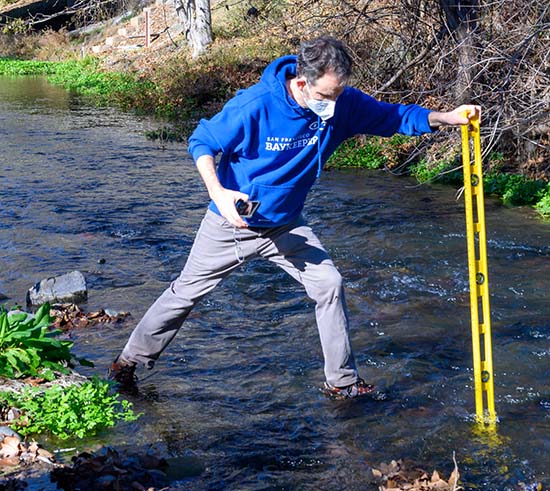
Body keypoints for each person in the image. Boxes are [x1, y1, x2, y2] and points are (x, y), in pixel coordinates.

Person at [110, 36, 480, 399]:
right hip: (233, 222)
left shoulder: (342, 104)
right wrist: (217, 193)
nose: (333, 105)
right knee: (185, 293)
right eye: (325, 96)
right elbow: (203, 140)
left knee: (329, 284)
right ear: (301, 83)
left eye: (338, 94)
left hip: (286, 224)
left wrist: (445, 118)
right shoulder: (255, 105)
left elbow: (392, 116)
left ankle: (342, 381)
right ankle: (128, 362)